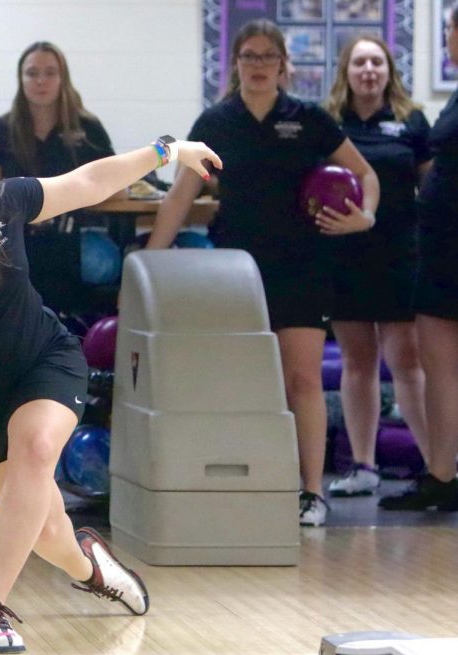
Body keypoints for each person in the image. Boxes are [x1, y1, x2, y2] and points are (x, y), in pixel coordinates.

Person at [0, 116, 221, 652]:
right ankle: (93, 567)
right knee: (48, 532)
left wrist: (167, 150)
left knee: (34, 447)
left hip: (42, 361)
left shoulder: (3, 204)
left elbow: (89, 181)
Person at [146, 19, 379, 527]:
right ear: (235, 64)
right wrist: (144, 264)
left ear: (282, 64)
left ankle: (311, 493)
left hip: (303, 268)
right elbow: (180, 198)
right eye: (248, 56)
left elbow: (365, 174)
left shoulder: (310, 118)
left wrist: (367, 217)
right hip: (235, 275)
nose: (257, 66)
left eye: (266, 57)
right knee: (245, 383)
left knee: (302, 379)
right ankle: (250, 484)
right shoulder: (214, 123)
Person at [321, 35, 432, 498]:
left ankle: (439, 466)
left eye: (377, 62)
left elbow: (432, 188)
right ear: (347, 70)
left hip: (401, 254)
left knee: (406, 361)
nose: (369, 70)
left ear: (389, 71)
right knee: (358, 362)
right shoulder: (328, 123)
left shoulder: (411, 121)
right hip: (346, 257)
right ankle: (363, 466)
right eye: (360, 62)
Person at [377, 8, 458, 511]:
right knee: (437, 367)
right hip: (439, 250)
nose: (455, 39)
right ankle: (442, 475)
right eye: (454, 30)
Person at [0, 41, 117, 316]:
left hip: (71, 238)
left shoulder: (87, 128)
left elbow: (114, 184)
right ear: (21, 79)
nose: (41, 81)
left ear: (62, 77)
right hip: (16, 237)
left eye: (50, 72)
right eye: (32, 73)